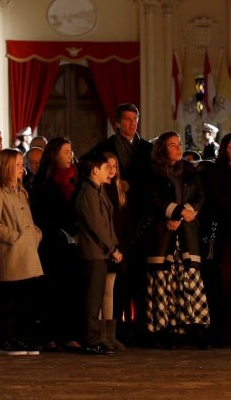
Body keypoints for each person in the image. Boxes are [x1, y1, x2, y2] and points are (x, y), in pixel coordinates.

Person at [90, 102, 153, 344]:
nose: (132, 123)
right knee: (116, 281)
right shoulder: (104, 149)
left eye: (135, 118)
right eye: (127, 119)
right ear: (117, 122)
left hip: (142, 219)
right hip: (116, 219)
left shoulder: (147, 149)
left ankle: (139, 329)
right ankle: (114, 330)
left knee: (140, 277)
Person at [145, 131, 210, 349]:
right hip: (163, 233)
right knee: (164, 282)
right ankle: (164, 329)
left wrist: (183, 215)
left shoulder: (190, 170)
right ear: (163, 148)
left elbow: (199, 196)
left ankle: (192, 327)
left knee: (190, 278)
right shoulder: (154, 172)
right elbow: (154, 200)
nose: (178, 148)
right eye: (173, 144)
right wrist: (175, 213)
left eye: (180, 144)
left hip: (186, 232)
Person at [0, 148, 43, 355]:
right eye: (17, 165)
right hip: (10, 254)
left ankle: (21, 337)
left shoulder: (21, 192)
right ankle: (6, 339)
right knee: (9, 301)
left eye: (21, 165)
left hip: (27, 253)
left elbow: (28, 220)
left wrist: (35, 234)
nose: (21, 169)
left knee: (25, 300)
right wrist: (13, 237)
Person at [30, 136, 83, 352]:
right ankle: (49, 335)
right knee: (52, 289)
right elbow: (43, 212)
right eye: (65, 152)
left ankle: (70, 334)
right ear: (54, 154)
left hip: (73, 241)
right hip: (52, 241)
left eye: (71, 151)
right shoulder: (43, 181)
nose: (70, 156)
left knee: (72, 288)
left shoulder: (76, 179)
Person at [75, 151, 122, 356]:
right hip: (94, 251)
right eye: (105, 168)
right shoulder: (88, 192)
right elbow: (96, 224)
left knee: (96, 295)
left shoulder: (98, 190)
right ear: (95, 170)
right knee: (92, 298)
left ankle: (96, 336)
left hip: (101, 251)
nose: (109, 171)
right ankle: (90, 338)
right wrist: (112, 248)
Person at [201, 132, 231, 346]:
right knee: (220, 283)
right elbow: (216, 199)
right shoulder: (215, 172)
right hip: (222, 232)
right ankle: (219, 331)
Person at [100, 151, 130, 351]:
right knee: (101, 290)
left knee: (110, 289)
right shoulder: (100, 189)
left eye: (115, 166)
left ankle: (110, 332)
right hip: (105, 246)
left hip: (118, 244)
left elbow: (122, 220)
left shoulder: (120, 189)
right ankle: (100, 332)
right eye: (108, 166)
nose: (112, 169)